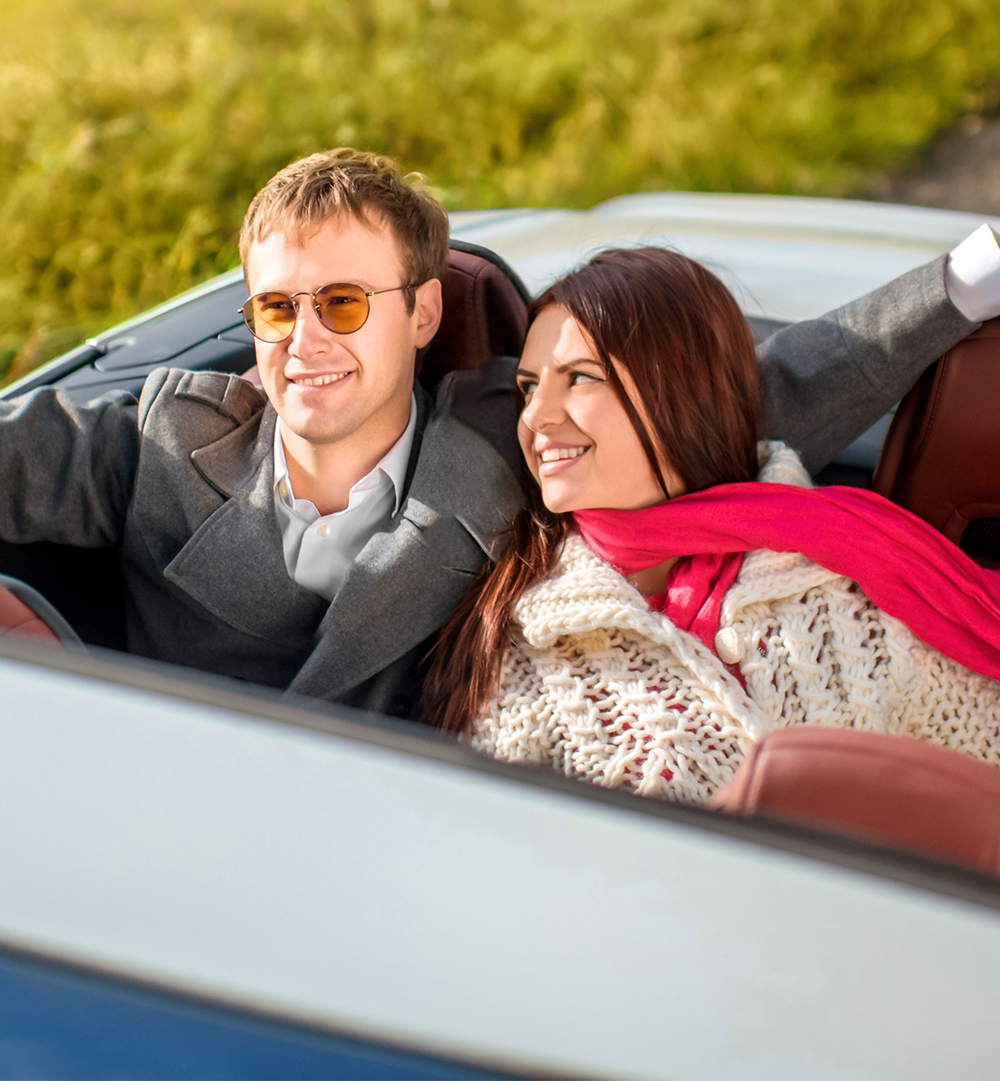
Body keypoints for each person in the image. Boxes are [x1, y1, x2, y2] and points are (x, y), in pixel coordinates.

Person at [0, 146, 999, 720]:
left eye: (343, 304)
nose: (302, 342)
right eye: (275, 309)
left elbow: (734, 398)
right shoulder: (161, 440)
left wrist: (964, 282)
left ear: (423, 315)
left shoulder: (503, 438)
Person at [423, 247, 1000, 799]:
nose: (535, 417)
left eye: (578, 377)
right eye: (528, 387)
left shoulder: (855, 581)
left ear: (680, 393)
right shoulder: (525, 642)